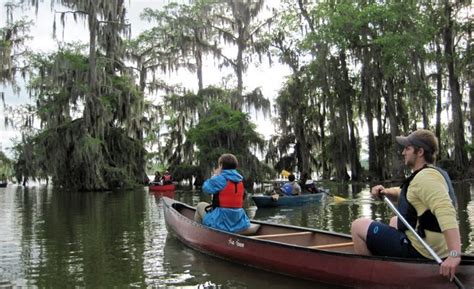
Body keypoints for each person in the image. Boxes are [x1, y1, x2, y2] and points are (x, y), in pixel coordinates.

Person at [351, 129, 461, 281]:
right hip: (436, 244)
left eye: (407, 148)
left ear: (420, 151)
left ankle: (372, 277)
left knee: (358, 226)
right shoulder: (430, 173)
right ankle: (395, 267)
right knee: (395, 221)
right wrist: (386, 191)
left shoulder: (426, 179)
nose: (403, 152)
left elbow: (446, 212)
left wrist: (455, 254)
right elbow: (406, 193)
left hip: (425, 250)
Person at [194, 153, 250, 233]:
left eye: (219, 165)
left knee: (200, 205)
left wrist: (215, 176)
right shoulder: (240, 180)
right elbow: (243, 195)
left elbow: (205, 188)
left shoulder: (220, 178)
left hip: (221, 221)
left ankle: (198, 233)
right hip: (239, 221)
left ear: (221, 165)